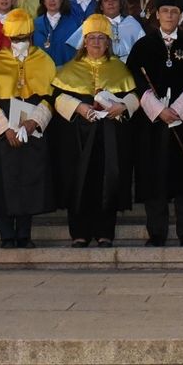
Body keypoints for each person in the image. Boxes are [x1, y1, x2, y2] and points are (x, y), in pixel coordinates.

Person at [127, 0, 183, 247]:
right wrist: (159, 110)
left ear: (181, 15)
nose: (170, 16)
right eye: (165, 11)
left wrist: (180, 110)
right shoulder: (143, 46)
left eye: (175, 12)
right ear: (157, 14)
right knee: (155, 175)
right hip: (153, 123)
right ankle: (157, 232)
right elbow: (135, 82)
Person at [51, 15, 139, 247]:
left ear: (109, 43)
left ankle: (105, 232)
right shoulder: (70, 69)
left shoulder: (119, 68)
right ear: (84, 42)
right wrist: (78, 107)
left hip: (110, 135)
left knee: (107, 181)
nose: (97, 43)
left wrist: (122, 106)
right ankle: (79, 232)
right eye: (92, 38)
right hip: (78, 136)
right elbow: (57, 97)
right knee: (78, 181)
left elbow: (133, 95)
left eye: (101, 38)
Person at [0, 9, 58, 248]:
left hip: (32, 129)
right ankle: (6, 235)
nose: (20, 43)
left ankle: (24, 234)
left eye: (24, 38)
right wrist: (4, 130)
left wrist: (34, 122)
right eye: (15, 39)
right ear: (8, 38)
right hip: (4, 133)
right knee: (4, 183)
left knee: (29, 180)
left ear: (32, 36)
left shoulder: (44, 60)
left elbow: (51, 96)